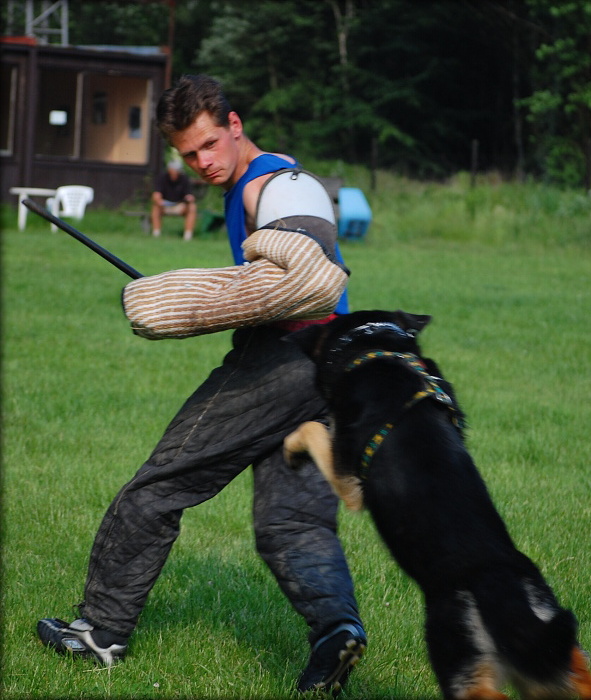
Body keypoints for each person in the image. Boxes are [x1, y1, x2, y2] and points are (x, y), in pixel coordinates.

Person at [37, 74, 366, 695]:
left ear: (234, 124)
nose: (203, 162)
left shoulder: (276, 182)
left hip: (284, 361)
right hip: (330, 367)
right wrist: (207, 296)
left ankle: (100, 631)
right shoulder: (252, 180)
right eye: (188, 154)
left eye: (211, 144)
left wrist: (186, 298)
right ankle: (335, 633)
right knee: (290, 524)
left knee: (156, 488)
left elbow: (309, 271)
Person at [151, 159, 197, 240]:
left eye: (177, 171)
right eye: (174, 170)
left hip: (179, 205)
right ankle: (156, 234)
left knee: (192, 207)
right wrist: (158, 200)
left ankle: (187, 236)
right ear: (169, 170)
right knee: (155, 207)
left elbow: (189, 194)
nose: (175, 173)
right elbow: (157, 194)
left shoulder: (184, 179)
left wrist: (189, 198)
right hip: (164, 205)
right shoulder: (162, 177)